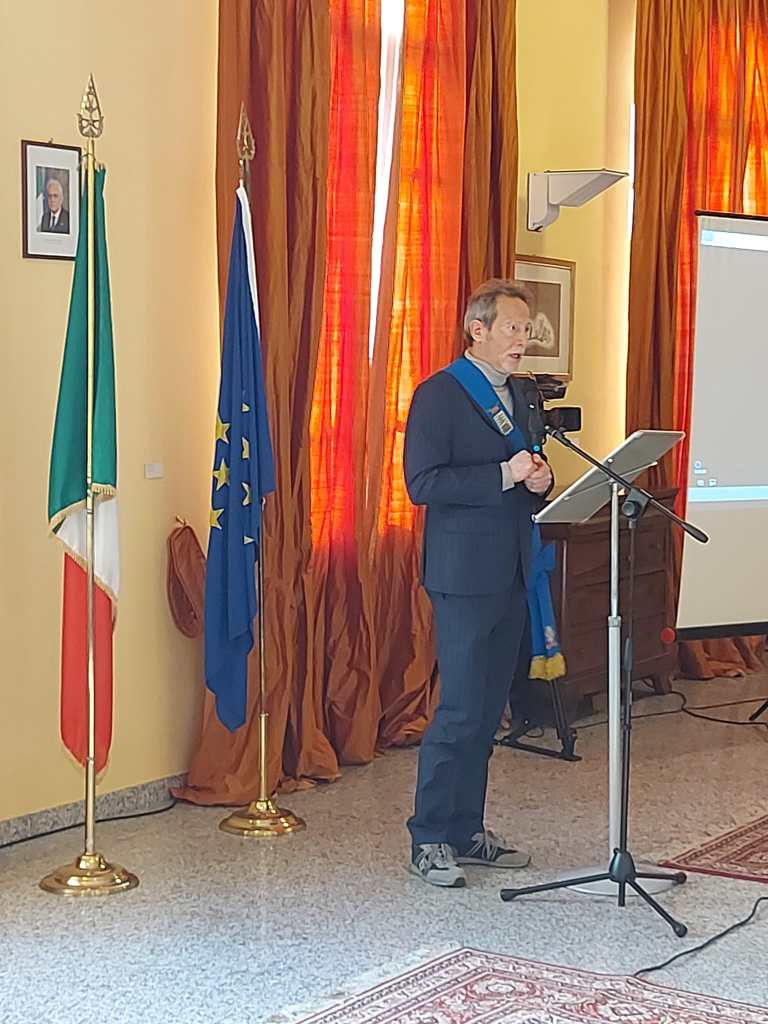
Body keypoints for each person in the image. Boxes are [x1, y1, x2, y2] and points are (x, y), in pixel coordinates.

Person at [404, 278, 553, 888]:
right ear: (478, 330)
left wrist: (540, 478)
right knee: (461, 710)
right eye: (513, 328)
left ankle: (467, 831)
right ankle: (429, 837)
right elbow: (423, 484)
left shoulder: (523, 394)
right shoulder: (439, 394)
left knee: (489, 712)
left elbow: (528, 462)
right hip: (463, 577)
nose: (523, 340)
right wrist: (503, 474)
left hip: (513, 569)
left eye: (527, 330)